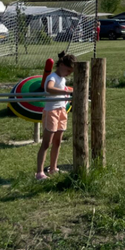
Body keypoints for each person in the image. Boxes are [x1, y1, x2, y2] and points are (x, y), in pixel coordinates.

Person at [36, 51, 76, 180]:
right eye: (68, 70)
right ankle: (39, 173)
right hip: (51, 111)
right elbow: (49, 88)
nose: (69, 74)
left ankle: (53, 168)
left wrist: (69, 93)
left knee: (57, 142)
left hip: (61, 110)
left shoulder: (63, 79)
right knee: (46, 143)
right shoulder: (52, 77)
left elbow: (63, 91)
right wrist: (65, 91)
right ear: (62, 65)